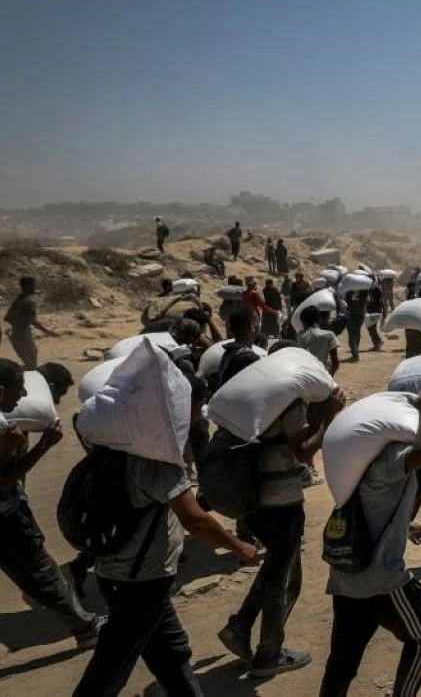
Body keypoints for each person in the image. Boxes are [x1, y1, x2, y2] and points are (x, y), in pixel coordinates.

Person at [73, 404, 259, 696]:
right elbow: (194, 518)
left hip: (129, 578)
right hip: (140, 584)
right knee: (107, 672)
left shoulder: (109, 455)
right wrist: (238, 546)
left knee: (171, 655)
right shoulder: (153, 463)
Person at [318, 391, 421, 697]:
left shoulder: (357, 463)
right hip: (382, 580)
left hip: (347, 577)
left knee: (342, 662)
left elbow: (371, 505)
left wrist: (404, 525)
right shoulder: (389, 459)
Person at [219, 384, 346, 677]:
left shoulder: (254, 399)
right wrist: (329, 416)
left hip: (253, 499)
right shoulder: (290, 404)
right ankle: (268, 655)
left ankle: (241, 625)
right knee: (286, 580)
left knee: (277, 567)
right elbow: (303, 452)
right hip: (282, 502)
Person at [0, 361, 104, 648]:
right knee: (42, 568)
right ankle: (87, 628)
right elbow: (4, 480)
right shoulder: (7, 427)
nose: (22, 394)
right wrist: (43, 445)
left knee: (33, 568)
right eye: (17, 387)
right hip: (6, 515)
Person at [4, 276, 56, 369]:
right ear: (27, 286)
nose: (34, 287)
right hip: (23, 336)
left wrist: (16, 327)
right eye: (32, 285)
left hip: (16, 335)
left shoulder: (18, 300)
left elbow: (8, 318)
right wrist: (48, 332)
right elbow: (34, 321)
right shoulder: (29, 302)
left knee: (29, 361)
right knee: (31, 365)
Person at [297, 306, 340, 375]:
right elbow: (335, 363)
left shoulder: (299, 335)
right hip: (323, 373)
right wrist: (329, 377)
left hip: (305, 374)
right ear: (319, 320)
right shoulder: (329, 335)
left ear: (303, 321)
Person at [366, 282, 386, 353]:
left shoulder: (371, 290)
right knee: (372, 328)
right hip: (376, 311)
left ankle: (378, 343)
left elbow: (371, 299)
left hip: (373, 312)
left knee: (371, 329)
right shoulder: (376, 289)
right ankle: (377, 343)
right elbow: (382, 301)